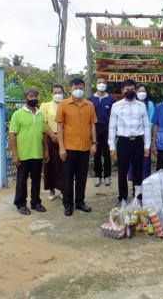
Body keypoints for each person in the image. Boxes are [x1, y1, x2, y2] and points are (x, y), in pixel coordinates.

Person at [56, 78, 97, 217]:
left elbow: (92, 125)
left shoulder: (89, 105)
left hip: (85, 148)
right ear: (70, 89)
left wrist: (94, 143)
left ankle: (80, 202)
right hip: (69, 148)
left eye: (80, 87)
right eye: (75, 88)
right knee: (67, 178)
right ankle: (68, 205)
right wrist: (61, 147)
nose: (78, 90)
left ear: (84, 89)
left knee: (82, 177)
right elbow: (60, 127)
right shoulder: (63, 104)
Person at [108, 79, 151, 204]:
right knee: (122, 171)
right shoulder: (116, 106)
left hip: (138, 142)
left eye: (132, 89)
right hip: (123, 142)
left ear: (135, 90)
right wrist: (112, 147)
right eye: (127, 90)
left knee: (138, 170)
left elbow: (146, 127)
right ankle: (122, 197)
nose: (130, 92)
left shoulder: (141, 106)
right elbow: (112, 127)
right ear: (122, 90)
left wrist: (147, 146)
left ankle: (137, 196)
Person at [9, 88, 48, 215]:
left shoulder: (41, 115)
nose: (34, 99)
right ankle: (20, 204)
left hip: (37, 153)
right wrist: (15, 155)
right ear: (26, 98)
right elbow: (12, 135)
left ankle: (36, 202)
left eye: (35, 96)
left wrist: (46, 151)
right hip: (23, 155)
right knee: (21, 181)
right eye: (31, 96)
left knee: (36, 180)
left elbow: (44, 135)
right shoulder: (17, 114)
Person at [88, 76, 115, 187]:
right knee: (97, 154)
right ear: (96, 84)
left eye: (103, 82)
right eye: (99, 82)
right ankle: (98, 176)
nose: (101, 84)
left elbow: (114, 116)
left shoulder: (111, 99)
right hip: (95, 130)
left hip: (108, 130)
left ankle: (107, 176)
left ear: (106, 84)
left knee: (107, 154)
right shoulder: (91, 99)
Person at [40, 84, 65, 201]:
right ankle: (51, 190)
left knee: (63, 164)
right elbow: (43, 122)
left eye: (60, 92)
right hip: (50, 138)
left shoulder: (66, 105)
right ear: (52, 94)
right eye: (55, 93)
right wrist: (52, 135)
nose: (57, 94)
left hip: (65, 138)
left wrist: (60, 136)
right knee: (49, 164)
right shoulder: (46, 106)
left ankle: (63, 189)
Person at [128, 84, 155, 183]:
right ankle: (135, 182)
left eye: (144, 91)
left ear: (147, 93)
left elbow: (151, 120)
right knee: (134, 159)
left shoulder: (150, 104)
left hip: (145, 136)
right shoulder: (131, 103)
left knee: (145, 159)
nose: (141, 93)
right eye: (139, 91)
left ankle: (146, 181)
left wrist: (145, 132)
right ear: (135, 92)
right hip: (133, 135)